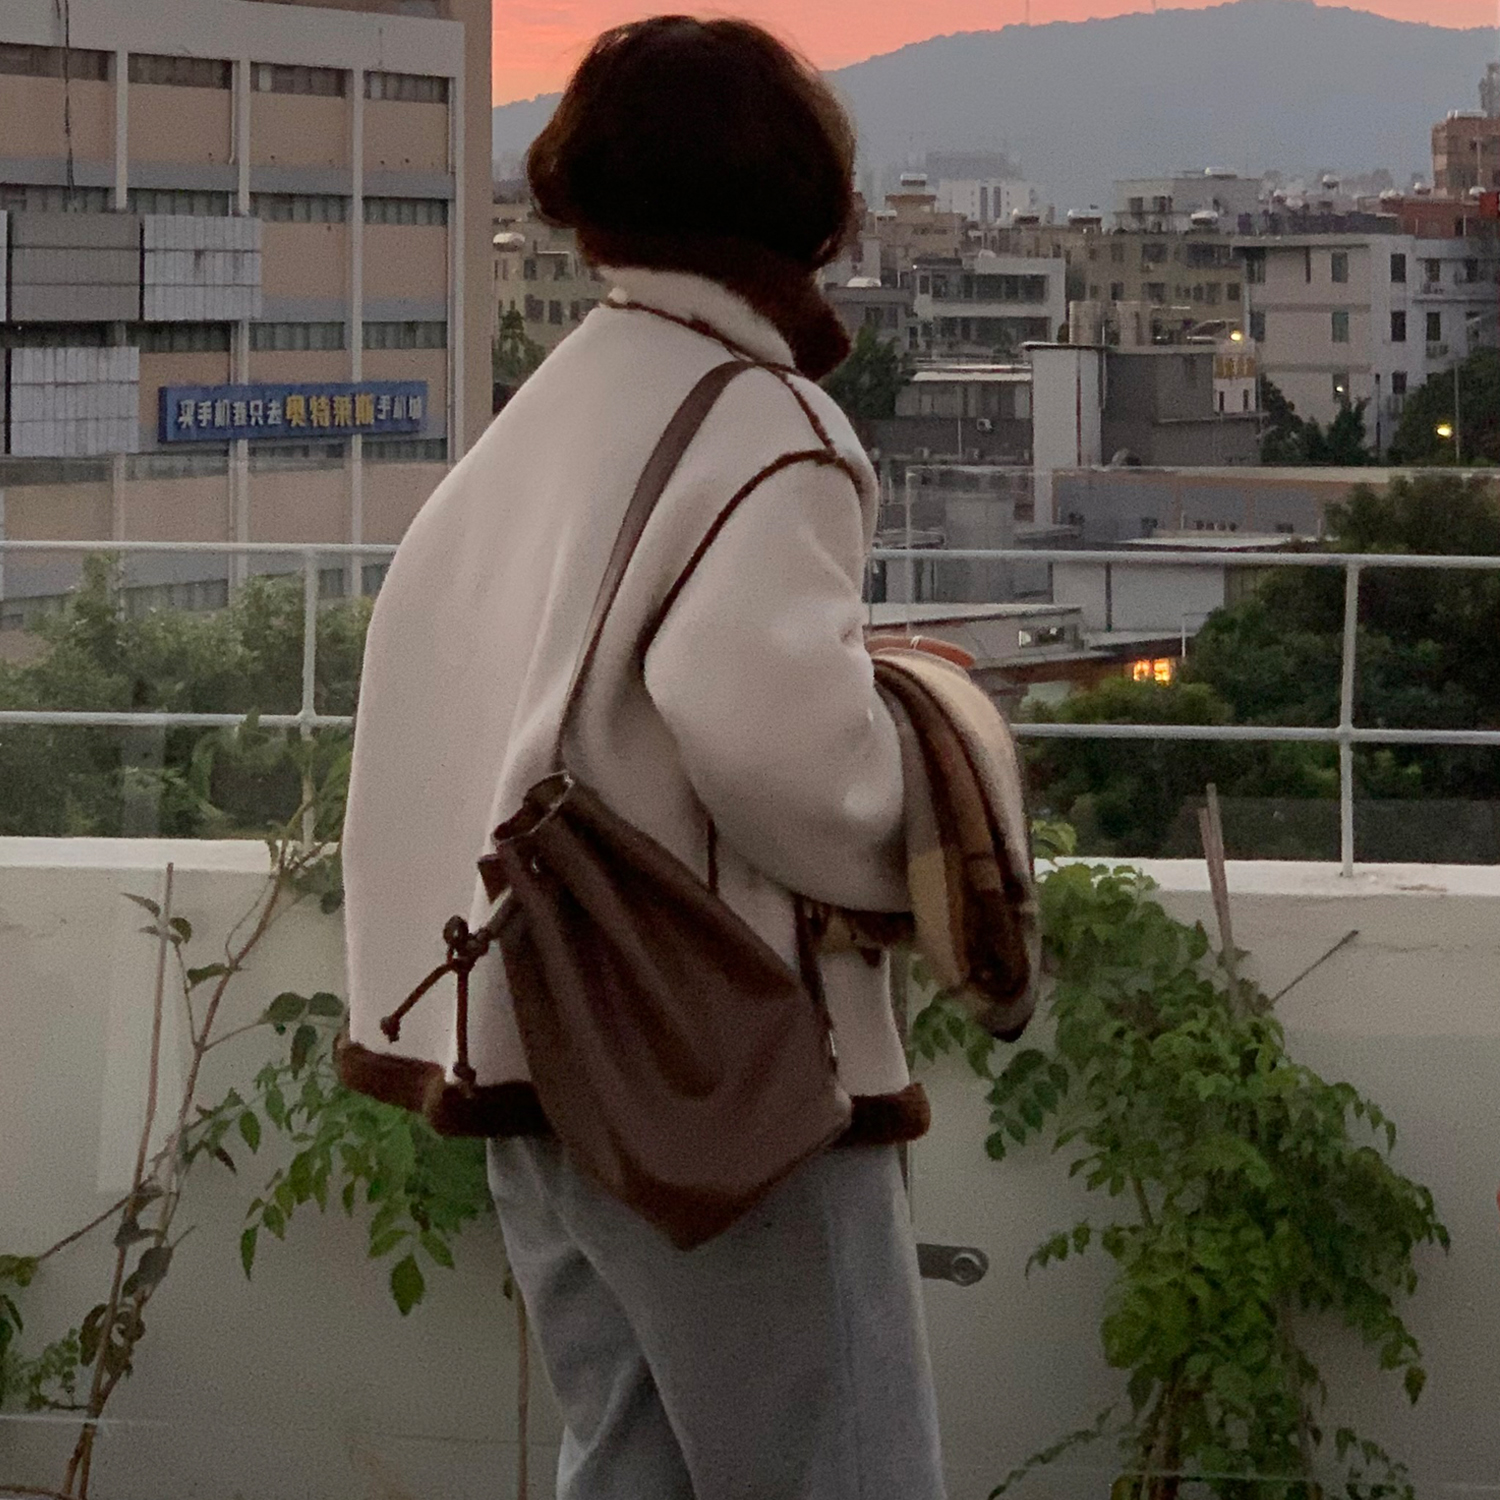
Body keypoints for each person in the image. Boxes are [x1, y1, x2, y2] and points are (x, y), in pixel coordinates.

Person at [341, 16, 949, 1498]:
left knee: (630, 1464)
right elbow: (787, 759)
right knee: (840, 1467)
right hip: (715, 1059)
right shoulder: (765, 424)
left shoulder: (552, 410)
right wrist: (937, 780)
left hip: (534, 1039)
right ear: (804, 199)